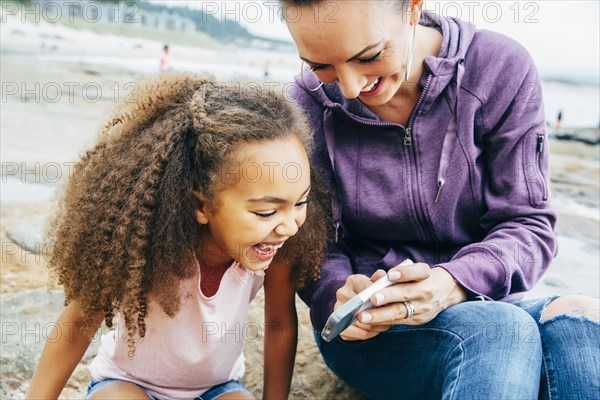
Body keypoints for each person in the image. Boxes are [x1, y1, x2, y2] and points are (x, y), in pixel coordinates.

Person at [279, 1, 600, 399]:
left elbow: (528, 225)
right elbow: (306, 239)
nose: (349, 87)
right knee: (498, 329)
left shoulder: (499, 68)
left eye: (369, 56)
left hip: (488, 300)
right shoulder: (306, 102)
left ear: (413, 8)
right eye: (320, 66)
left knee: (581, 320)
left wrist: (453, 282)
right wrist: (336, 292)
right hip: (378, 327)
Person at [26, 73, 330, 400]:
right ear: (202, 204)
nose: (289, 225)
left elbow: (279, 325)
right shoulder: (146, 245)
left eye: (301, 202)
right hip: (128, 384)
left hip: (218, 389)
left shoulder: (275, 248)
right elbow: (78, 323)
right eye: (266, 212)